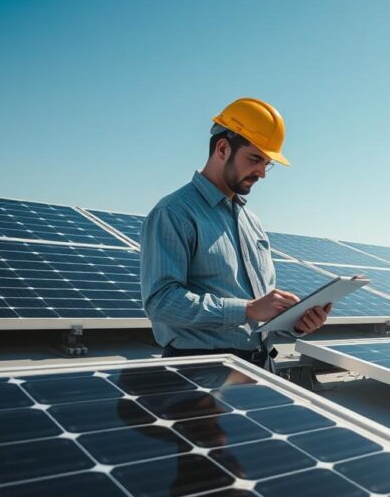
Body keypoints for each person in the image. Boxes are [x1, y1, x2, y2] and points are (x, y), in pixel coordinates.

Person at [140, 97, 330, 369]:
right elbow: (161, 302)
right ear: (222, 148)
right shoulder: (174, 213)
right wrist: (247, 309)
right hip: (202, 372)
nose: (262, 172)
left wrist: (294, 323)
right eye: (255, 159)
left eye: (267, 163)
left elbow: (259, 312)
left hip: (262, 369)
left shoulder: (251, 222)